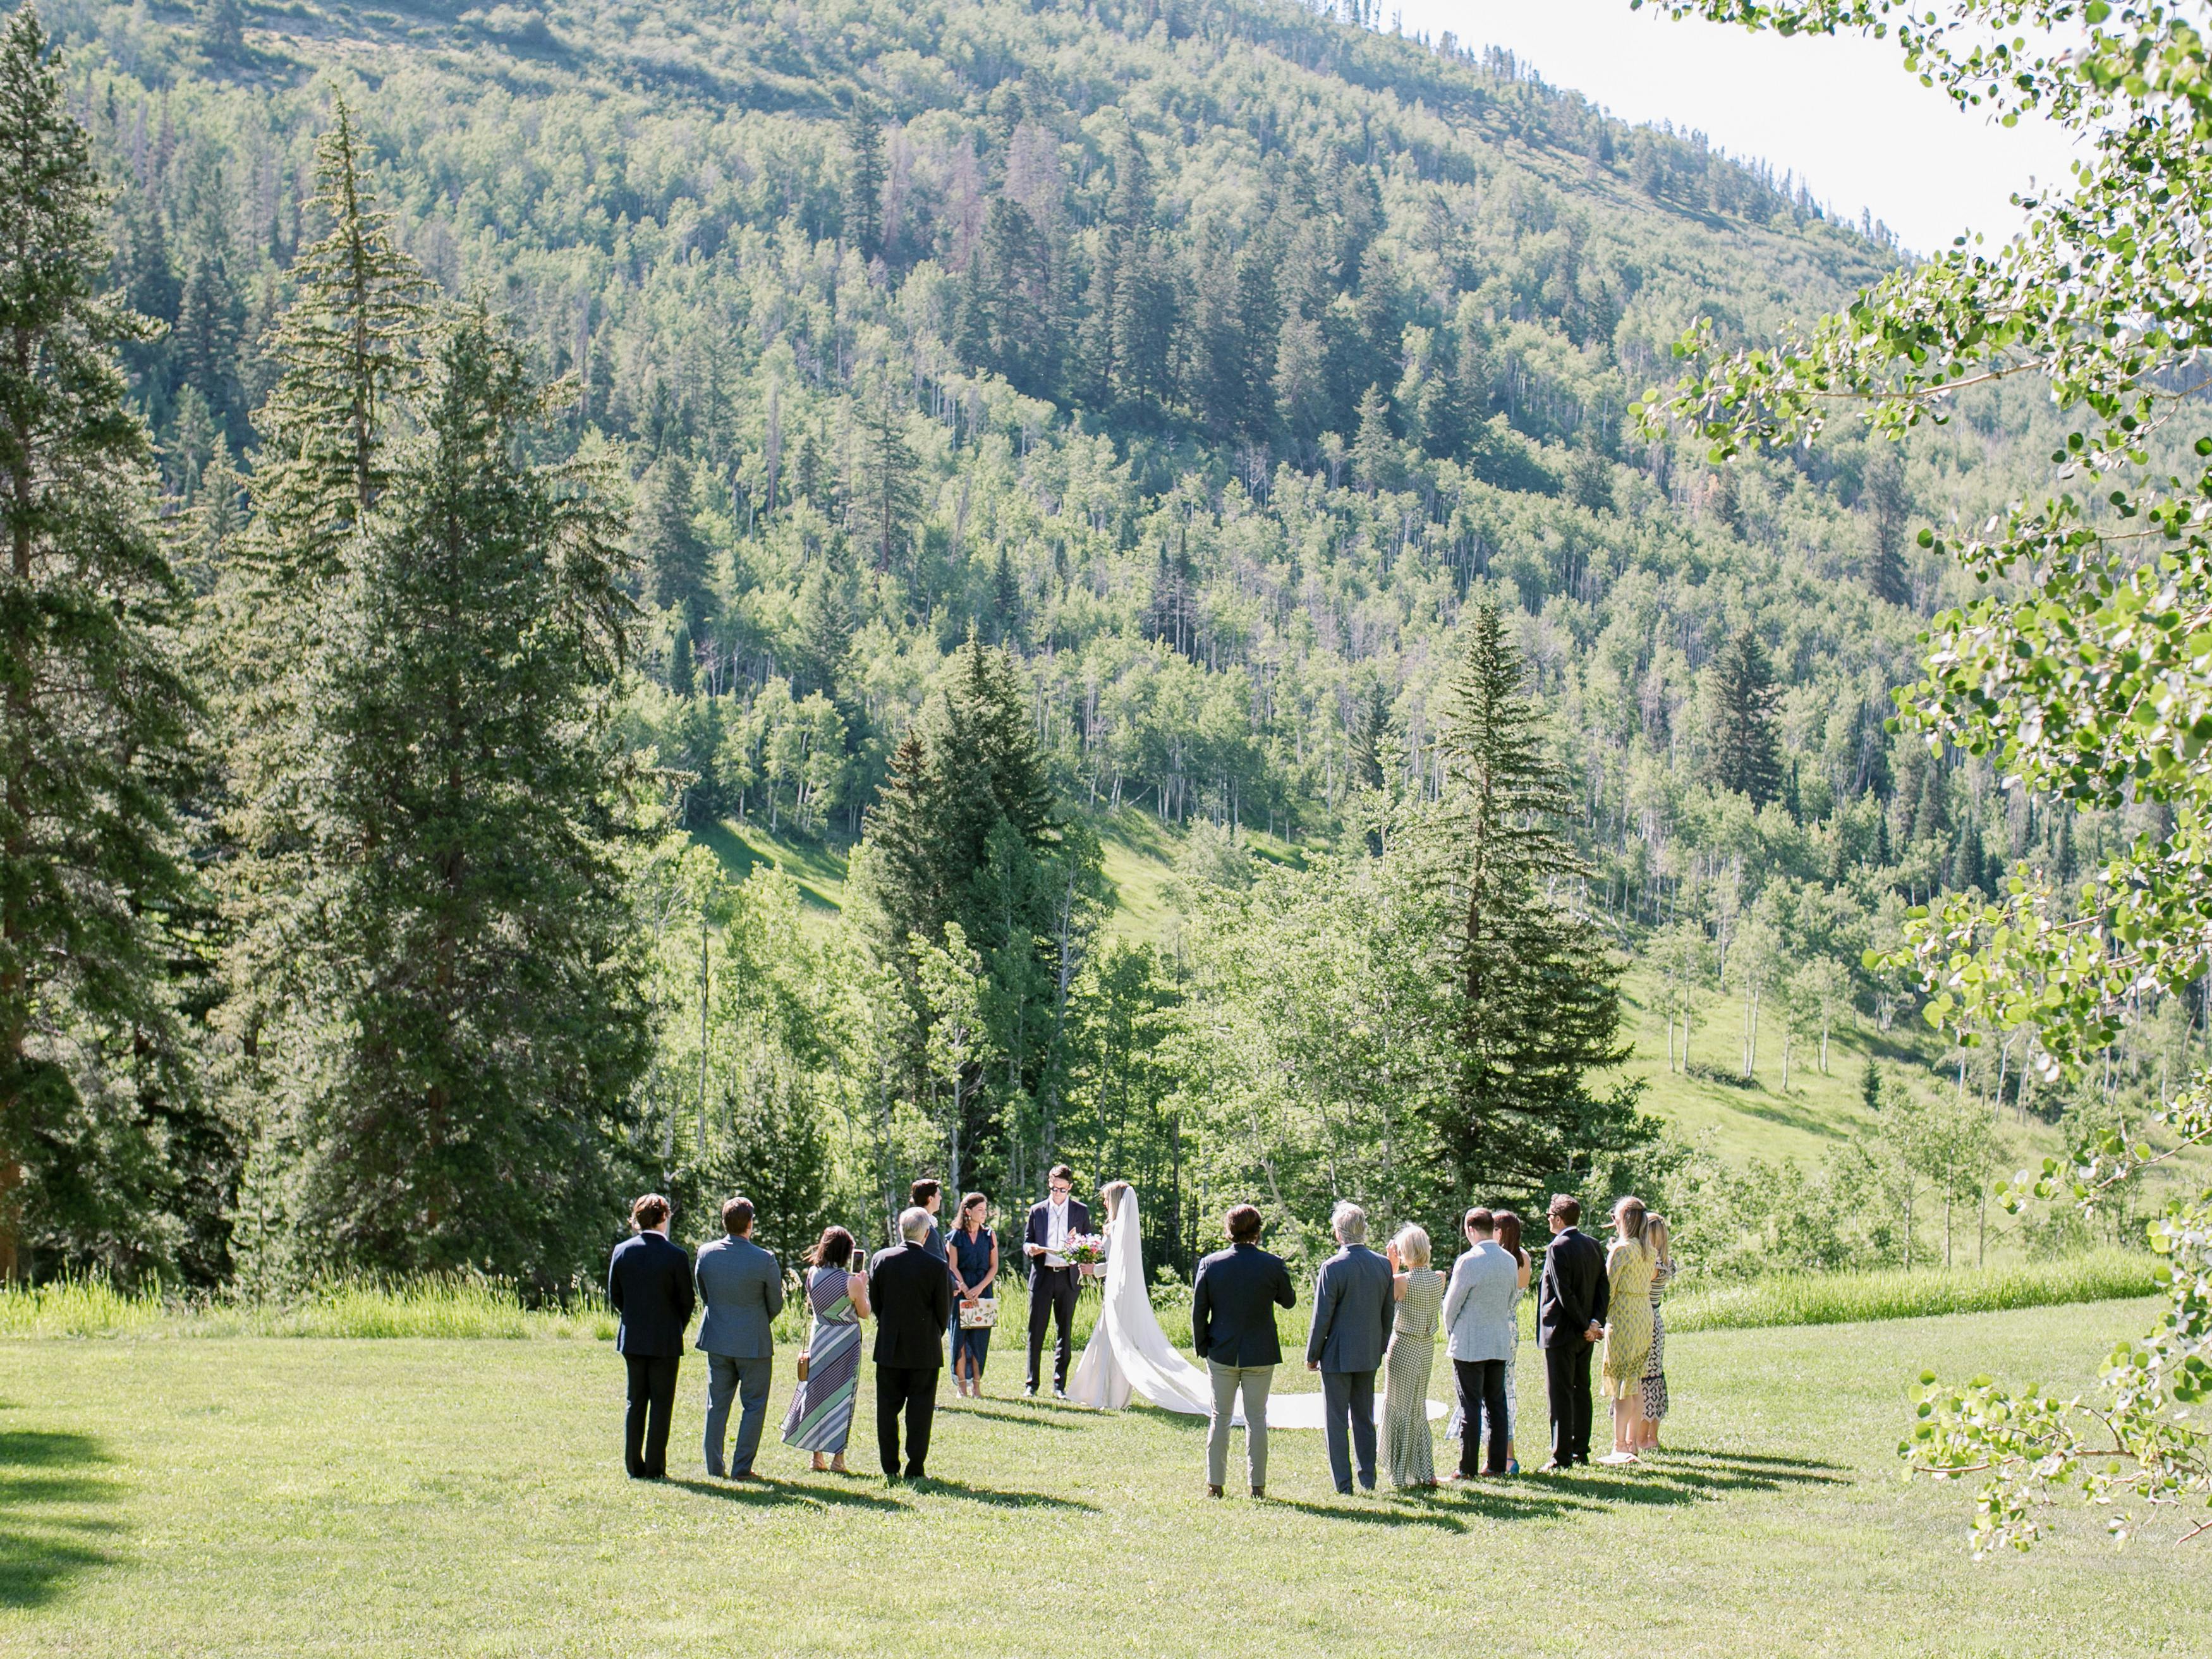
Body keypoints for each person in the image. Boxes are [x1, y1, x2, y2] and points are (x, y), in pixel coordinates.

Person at [1191, 1203, 1296, 1498]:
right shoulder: (1273, 1264)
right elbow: (1289, 1301)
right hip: (1260, 1351)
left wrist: (1203, 1346)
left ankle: (1215, 1484)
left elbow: (1199, 1311)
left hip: (1221, 1350)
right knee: (1257, 1418)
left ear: (1229, 1230)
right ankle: (1257, 1486)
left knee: (1220, 1417)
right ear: (1258, 1231)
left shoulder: (1211, 1264)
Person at [1306, 1200, 1394, 1495]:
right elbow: (1388, 1313)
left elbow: (1322, 1317)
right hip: (1368, 1352)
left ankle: (1344, 1484)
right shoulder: (1383, 1264)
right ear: (1364, 1230)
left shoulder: (1332, 1267)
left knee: (1336, 1421)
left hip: (1337, 1355)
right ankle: (1368, 1478)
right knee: (1364, 1418)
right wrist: (1380, 1346)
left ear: (1338, 1233)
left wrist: (1312, 1355)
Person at [693, 1195, 783, 1481]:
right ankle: (741, 1468)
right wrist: (757, 1320)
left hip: (718, 1339)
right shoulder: (765, 1259)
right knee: (754, 1406)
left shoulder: (706, 1253)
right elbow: (776, 1303)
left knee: (716, 1405)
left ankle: (714, 1467)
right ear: (750, 1224)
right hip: (753, 1343)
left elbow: (705, 1294)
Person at [607, 1193, 694, 1480]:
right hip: (665, 1339)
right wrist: (675, 1325)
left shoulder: (622, 1251)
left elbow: (615, 1295)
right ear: (664, 1217)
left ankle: (634, 1466)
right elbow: (687, 1301)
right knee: (661, 1404)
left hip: (633, 1337)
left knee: (635, 1402)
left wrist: (633, 1317)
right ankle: (655, 1467)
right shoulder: (676, 1256)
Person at [870, 1205, 954, 1480]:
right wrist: (932, 1333)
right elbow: (944, 1310)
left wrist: (889, 1326)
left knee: (887, 1409)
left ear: (900, 1230)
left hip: (890, 1346)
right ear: (927, 1234)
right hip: (924, 1347)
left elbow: (877, 1303)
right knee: (921, 1411)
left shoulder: (881, 1259)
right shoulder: (937, 1266)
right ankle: (915, 1467)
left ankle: (889, 1467)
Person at [782, 1225, 872, 1473]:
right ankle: (838, 1459)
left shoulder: (813, 1273)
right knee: (843, 1397)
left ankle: (816, 1458)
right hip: (845, 1342)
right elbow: (864, 1312)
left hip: (820, 1337)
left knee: (816, 1393)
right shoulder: (852, 1282)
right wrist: (863, 1285)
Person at [1442, 1208, 1519, 1480]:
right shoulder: (1510, 1260)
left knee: (1470, 1405)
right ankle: (1497, 1465)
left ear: (1470, 1230)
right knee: (1497, 1405)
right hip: (1498, 1340)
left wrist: (1453, 1333)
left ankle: (1467, 1467)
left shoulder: (1468, 1261)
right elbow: (1510, 1299)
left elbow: (1451, 1306)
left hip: (1470, 1342)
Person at [1538, 1193, 1608, 1471]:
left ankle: (1561, 1456)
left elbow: (1563, 1293)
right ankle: (1580, 1450)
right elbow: (1603, 1287)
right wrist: (1595, 1322)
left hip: (1562, 1332)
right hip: (1585, 1333)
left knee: (1560, 1395)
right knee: (1581, 1390)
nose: (1548, 1220)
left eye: (1549, 1215)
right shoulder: (1593, 1245)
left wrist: (1585, 1325)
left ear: (1558, 1218)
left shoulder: (1558, 1247)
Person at [1381, 1224, 1443, 1489]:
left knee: (1398, 1407)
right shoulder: (1439, 1278)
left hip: (1403, 1346)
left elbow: (1383, 1300)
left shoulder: (1401, 1281)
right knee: (1418, 1407)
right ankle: (1425, 1470)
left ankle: (1400, 1470)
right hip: (1426, 1347)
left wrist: (1391, 1266)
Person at [1597, 1195, 1656, 1466]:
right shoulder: (1648, 1250)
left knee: (1622, 1382)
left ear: (1624, 1220)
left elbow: (1608, 1289)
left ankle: (1620, 1444)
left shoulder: (1622, 1250)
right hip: (1644, 1313)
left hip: (1624, 1315)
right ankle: (1632, 1442)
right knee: (1636, 1381)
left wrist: (1598, 1318)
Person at [1023, 1165, 1091, 1399]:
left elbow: (1088, 1243)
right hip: (1042, 1275)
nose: (1058, 1193)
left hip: (1067, 1277)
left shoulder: (1081, 1211)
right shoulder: (1037, 1210)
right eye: (1054, 1189)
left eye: (1062, 1189)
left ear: (1070, 1187)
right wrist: (1030, 1249)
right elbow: (1027, 1241)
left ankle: (1059, 1385)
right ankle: (1031, 1384)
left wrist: (1081, 1250)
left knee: (1065, 1331)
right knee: (1036, 1331)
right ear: (1049, 1185)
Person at [1487, 1210, 1533, 1472]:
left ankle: (1497, 1455)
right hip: (1513, 1327)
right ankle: (1509, 1455)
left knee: (1493, 1391)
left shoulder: (1500, 1260)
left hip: (1496, 1325)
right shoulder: (1524, 1258)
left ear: (1501, 1232)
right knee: (1507, 1387)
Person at [947, 1193, 999, 1398]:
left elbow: (994, 1266)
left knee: (980, 1340)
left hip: (983, 1291)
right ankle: (961, 1386)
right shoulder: (955, 1236)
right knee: (959, 1340)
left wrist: (979, 1288)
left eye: (985, 1210)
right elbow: (952, 1266)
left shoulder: (989, 1235)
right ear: (968, 1211)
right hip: (961, 1292)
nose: (984, 1214)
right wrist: (965, 1287)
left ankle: (977, 1386)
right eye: (980, 1210)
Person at [1633, 1214, 1674, 1455]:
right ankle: (1651, 1436)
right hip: (1656, 1319)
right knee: (1655, 1377)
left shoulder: (1651, 1265)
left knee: (1644, 1379)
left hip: (1644, 1319)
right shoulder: (1668, 1263)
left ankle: (1642, 1437)